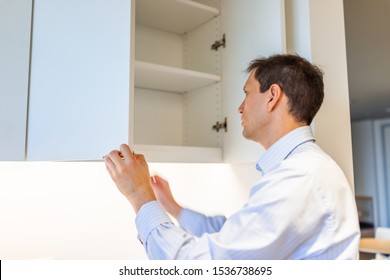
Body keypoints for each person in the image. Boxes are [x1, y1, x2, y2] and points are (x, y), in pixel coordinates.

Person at [104, 54, 360, 259]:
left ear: (272, 97)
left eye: (247, 93)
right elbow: (237, 235)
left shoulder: (298, 179)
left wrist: (139, 195)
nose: (240, 107)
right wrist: (173, 207)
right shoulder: (305, 169)